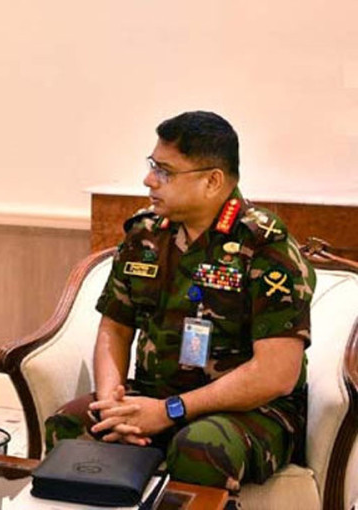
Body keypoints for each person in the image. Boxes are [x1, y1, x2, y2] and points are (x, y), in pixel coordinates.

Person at [44, 111, 315, 494]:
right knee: (70, 424)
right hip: (154, 394)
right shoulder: (146, 234)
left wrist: (170, 411)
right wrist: (112, 404)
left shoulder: (265, 246)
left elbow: (276, 373)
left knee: (199, 447)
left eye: (165, 172)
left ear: (212, 181)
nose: (149, 180)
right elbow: (115, 327)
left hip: (251, 411)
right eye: (152, 166)